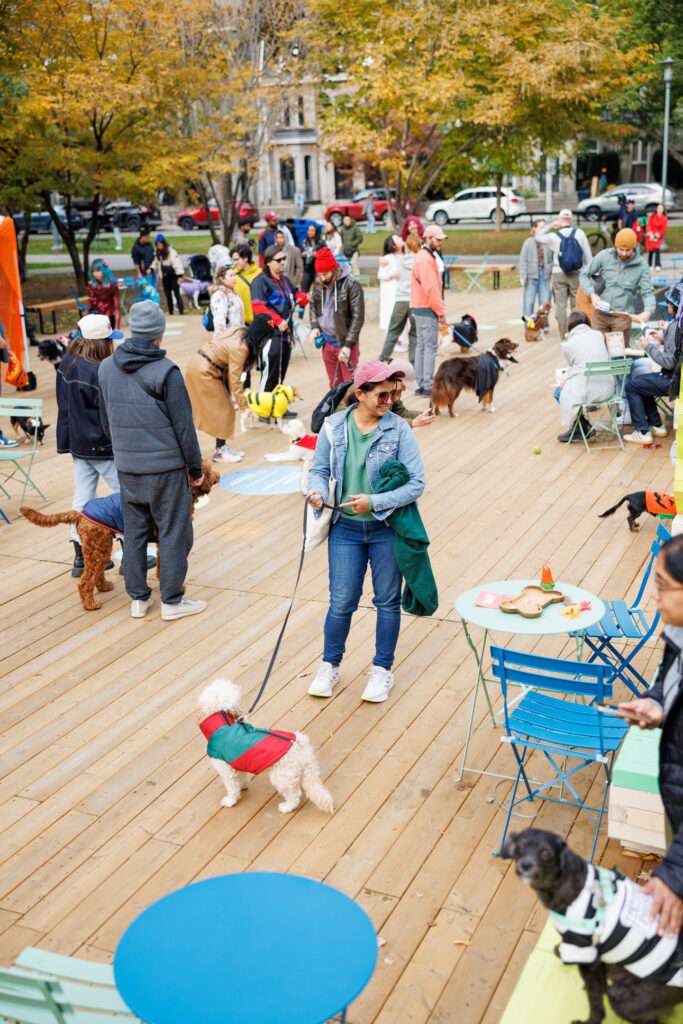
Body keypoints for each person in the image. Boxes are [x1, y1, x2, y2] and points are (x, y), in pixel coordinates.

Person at [306, 359, 426, 702]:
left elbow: (417, 484)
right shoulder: (333, 427)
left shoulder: (399, 429)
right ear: (360, 394)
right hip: (345, 530)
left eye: (393, 394)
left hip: (386, 527)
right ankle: (329, 665)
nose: (390, 400)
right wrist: (317, 491)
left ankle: (381, 670)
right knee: (341, 602)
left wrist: (373, 502)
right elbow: (318, 469)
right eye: (382, 394)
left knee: (387, 602)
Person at [98, 301, 206, 622]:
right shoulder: (167, 372)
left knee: (134, 532)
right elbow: (184, 427)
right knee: (174, 531)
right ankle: (172, 600)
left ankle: (138, 598)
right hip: (165, 469)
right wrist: (196, 467)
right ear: (159, 334)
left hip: (128, 466)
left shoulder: (106, 367)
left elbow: (107, 420)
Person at [618, 532, 683, 938]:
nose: (653, 598)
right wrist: (657, 703)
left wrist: (676, 874)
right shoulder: (678, 635)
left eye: (662, 587)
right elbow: (668, 680)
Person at [56, 314, 123, 575]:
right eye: (110, 340)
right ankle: (131, 552)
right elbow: (109, 412)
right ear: (102, 342)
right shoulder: (101, 370)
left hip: (78, 443)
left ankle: (80, 556)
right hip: (102, 444)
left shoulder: (67, 363)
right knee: (127, 495)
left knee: (82, 498)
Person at [185, 266, 248, 465]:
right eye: (230, 275)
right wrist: (227, 347)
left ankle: (224, 444)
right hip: (225, 352)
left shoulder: (233, 294)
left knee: (227, 401)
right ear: (221, 278)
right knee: (223, 403)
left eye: (235, 274)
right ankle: (220, 448)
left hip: (235, 347)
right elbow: (220, 325)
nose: (235, 277)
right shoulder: (220, 296)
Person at [623, 284, 681, 446]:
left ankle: (642, 431)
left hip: (672, 381)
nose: (668, 305)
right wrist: (662, 339)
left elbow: (669, 362)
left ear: (674, 306)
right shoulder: (678, 325)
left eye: (669, 303)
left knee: (632, 386)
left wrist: (648, 346)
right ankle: (656, 425)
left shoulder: (676, 327)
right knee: (644, 382)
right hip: (678, 379)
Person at [580, 228, 655, 345]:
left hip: (622, 318)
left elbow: (648, 292)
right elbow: (584, 275)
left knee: (617, 356)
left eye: (628, 250)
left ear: (634, 247)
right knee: (598, 351)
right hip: (600, 315)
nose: (624, 253)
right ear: (615, 246)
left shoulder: (642, 266)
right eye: (621, 249)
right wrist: (592, 294)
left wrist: (648, 311)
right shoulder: (604, 256)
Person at [250, 244, 306, 390]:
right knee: (270, 373)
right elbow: (258, 307)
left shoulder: (284, 280)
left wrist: (303, 297)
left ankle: (277, 405)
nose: (283, 262)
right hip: (270, 335)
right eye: (279, 259)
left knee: (281, 373)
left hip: (286, 336)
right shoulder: (260, 281)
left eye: (284, 259)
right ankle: (264, 407)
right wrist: (278, 320)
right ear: (268, 262)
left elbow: (295, 294)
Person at [308, 246, 365, 386]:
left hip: (345, 342)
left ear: (334, 269)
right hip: (327, 342)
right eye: (319, 274)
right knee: (334, 384)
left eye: (325, 274)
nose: (322, 277)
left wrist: (348, 345)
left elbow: (358, 317)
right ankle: (336, 408)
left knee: (349, 384)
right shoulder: (318, 282)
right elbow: (313, 306)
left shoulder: (351, 284)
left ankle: (350, 408)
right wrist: (314, 326)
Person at [555, 311, 613, 443]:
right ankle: (581, 427)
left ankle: (580, 427)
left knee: (559, 392)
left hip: (588, 390)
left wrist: (567, 339)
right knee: (571, 386)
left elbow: (572, 366)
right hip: (608, 387)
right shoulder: (598, 335)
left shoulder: (568, 344)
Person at [535, 210, 592, 339]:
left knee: (560, 307)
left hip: (558, 273)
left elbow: (537, 237)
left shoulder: (554, 236)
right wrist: (589, 274)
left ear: (560, 220)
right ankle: (577, 334)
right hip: (576, 274)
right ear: (571, 220)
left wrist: (550, 225)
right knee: (576, 306)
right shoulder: (580, 234)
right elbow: (588, 257)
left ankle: (563, 336)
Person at [411, 224, 447, 396]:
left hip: (420, 306)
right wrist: (441, 313)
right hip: (426, 307)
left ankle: (421, 384)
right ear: (428, 238)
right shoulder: (425, 258)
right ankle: (427, 385)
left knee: (422, 345)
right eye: (438, 239)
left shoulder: (423, 256)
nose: (440, 242)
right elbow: (431, 288)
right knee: (429, 347)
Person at [380, 234, 420, 363]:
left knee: (393, 332)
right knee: (414, 334)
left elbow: (392, 272)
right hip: (415, 301)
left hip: (401, 300)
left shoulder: (400, 261)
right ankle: (413, 363)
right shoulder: (420, 261)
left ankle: (383, 359)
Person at [519, 220, 553, 323]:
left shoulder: (548, 242)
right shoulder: (528, 242)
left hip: (545, 276)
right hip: (531, 276)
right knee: (528, 303)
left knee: (544, 303)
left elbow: (553, 259)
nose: (543, 229)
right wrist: (523, 276)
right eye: (540, 227)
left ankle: (543, 325)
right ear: (534, 228)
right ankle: (529, 325)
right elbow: (523, 260)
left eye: (544, 227)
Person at [153, 234, 185, 315]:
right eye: (157, 244)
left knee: (177, 294)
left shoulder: (171, 252)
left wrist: (180, 275)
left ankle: (181, 311)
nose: (158, 246)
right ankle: (171, 311)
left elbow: (177, 264)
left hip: (173, 276)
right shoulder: (158, 253)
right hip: (165, 277)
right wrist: (151, 268)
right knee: (168, 295)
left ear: (163, 243)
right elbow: (155, 262)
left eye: (160, 244)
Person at [230, 243, 261, 324]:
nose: (234, 263)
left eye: (237, 259)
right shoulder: (232, 276)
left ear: (245, 258)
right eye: (233, 260)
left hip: (260, 322)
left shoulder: (260, 274)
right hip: (241, 323)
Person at [87, 259, 121, 329]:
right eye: (94, 271)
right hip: (95, 318)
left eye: (99, 270)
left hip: (108, 318)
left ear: (105, 270)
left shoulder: (112, 286)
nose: (96, 274)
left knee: (108, 339)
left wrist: (117, 327)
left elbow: (117, 307)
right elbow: (91, 303)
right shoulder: (91, 286)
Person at [378, 236, 401, 331]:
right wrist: (392, 276)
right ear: (394, 245)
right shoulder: (388, 258)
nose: (400, 238)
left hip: (400, 291)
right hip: (391, 291)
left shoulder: (403, 255)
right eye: (397, 238)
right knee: (391, 311)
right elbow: (380, 275)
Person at [300, 222, 322, 293]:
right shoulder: (304, 242)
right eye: (309, 230)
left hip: (318, 270)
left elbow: (325, 254)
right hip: (307, 269)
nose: (310, 232)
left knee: (318, 291)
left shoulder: (321, 243)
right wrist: (302, 254)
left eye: (312, 230)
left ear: (316, 232)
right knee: (304, 290)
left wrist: (317, 254)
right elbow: (301, 253)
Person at [646, 204, 669, 270]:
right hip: (651, 235)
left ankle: (657, 265)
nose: (660, 210)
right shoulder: (652, 216)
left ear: (663, 210)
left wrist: (657, 235)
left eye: (661, 208)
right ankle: (649, 264)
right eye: (659, 208)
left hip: (658, 236)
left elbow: (663, 229)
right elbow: (649, 225)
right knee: (651, 250)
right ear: (657, 209)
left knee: (657, 249)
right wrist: (650, 233)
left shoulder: (664, 218)